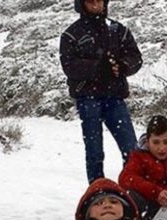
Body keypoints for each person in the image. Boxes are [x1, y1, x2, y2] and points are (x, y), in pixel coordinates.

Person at [59, 0, 143, 184]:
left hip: (115, 96)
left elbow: (135, 57)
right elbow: (69, 66)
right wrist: (98, 68)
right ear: (82, 4)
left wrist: (123, 66)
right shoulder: (71, 34)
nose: (96, 4)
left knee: (131, 148)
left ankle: (134, 190)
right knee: (94, 151)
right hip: (88, 98)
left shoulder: (118, 30)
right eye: (91, 0)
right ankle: (97, 192)